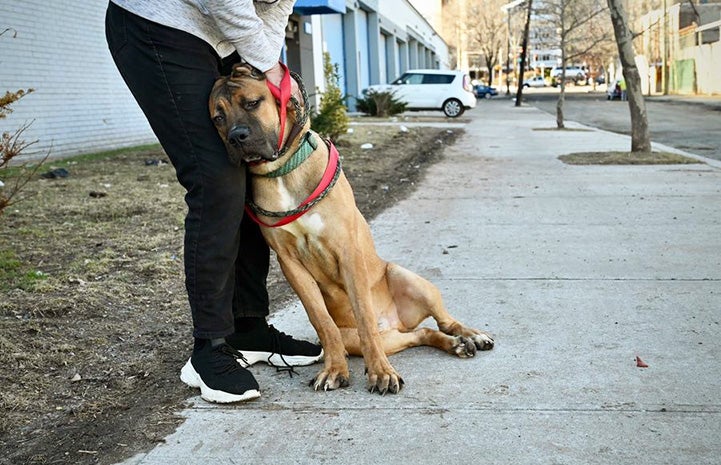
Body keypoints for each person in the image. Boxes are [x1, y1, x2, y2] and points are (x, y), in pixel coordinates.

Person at [104, 0, 322, 404]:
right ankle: (210, 346)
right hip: (157, 25)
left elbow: (274, 14)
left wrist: (266, 61)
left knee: (252, 164)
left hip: (219, 38)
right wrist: (268, 64)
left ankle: (248, 325)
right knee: (215, 178)